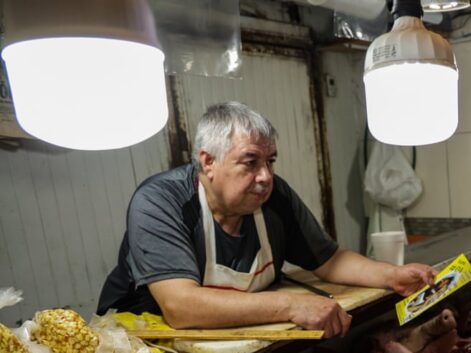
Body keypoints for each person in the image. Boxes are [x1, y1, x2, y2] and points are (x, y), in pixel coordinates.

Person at [98, 102, 435, 337]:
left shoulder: (274, 198)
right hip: (145, 349)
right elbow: (181, 307)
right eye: (250, 162)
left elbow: (329, 260)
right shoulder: (160, 201)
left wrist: (392, 276)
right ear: (208, 162)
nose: (265, 176)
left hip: (235, 342)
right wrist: (291, 305)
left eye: (270, 161)